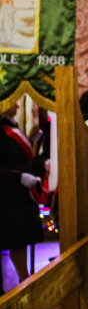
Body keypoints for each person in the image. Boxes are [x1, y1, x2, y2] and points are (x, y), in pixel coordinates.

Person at [0, 101, 45, 292]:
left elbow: (21, 159)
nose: (18, 106)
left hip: (19, 198)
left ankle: (25, 281)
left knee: (20, 242)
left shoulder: (11, 126)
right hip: (9, 198)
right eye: (12, 102)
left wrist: (41, 165)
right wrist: (19, 177)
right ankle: (23, 283)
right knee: (16, 242)